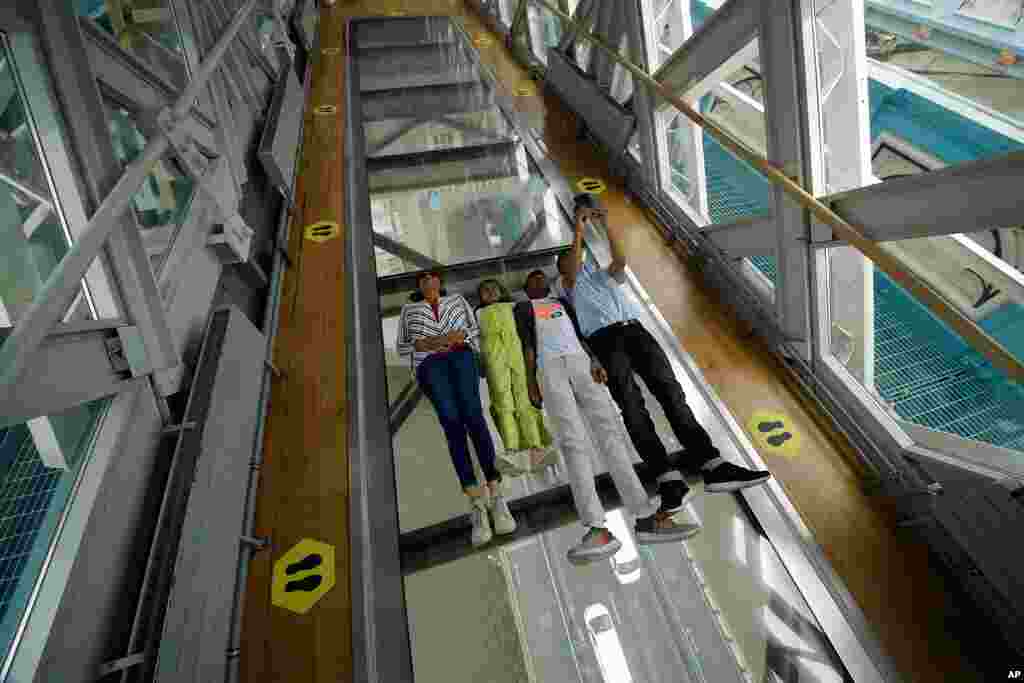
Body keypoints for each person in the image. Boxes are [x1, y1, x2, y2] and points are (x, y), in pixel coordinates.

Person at [558, 194, 771, 520]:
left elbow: (620, 260)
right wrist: (577, 229)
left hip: (636, 332)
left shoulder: (604, 276)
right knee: (631, 404)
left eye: (583, 255)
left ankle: (712, 464)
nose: (582, 258)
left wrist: (606, 223)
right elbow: (572, 266)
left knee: (672, 393)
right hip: (604, 340)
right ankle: (667, 478)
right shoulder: (569, 284)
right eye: (576, 256)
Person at [516, 270, 700, 566]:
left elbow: (580, 335)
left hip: (580, 362)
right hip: (548, 367)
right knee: (573, 441)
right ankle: (596, 528)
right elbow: (526, 344)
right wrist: (530, 381)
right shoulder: (523, 308)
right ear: (526, 289)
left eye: (541, 278)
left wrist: (594, 360)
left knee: (610, 433)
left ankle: (643, 517)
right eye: (533, 280)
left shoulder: (562, 303)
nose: (538, 281)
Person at [396, 271, 516, 547]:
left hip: (461, 356)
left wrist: (459, 334)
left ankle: (497, 497)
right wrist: (423, 343)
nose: (428, 280)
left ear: (440, 283)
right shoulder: (409, 310)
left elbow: (474, 329)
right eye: (423, 279)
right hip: (430, 364)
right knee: (452, 423)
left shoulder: (458, 300)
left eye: (433, 277)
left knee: (474, 417)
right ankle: (476, 503)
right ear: (419, 286)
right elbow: (403, 346)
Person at [475, 279, 558, 475]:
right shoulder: (477, 313)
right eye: (484, 291)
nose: (489, 292)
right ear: (480, 296)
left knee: (525, 401)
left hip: (518, 356)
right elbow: (475, 340)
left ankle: (537, 446)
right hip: (494, 360)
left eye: (493, 288)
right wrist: (480, 363)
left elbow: (528, 332)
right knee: (503, 402)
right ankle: (512, 451)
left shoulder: (515, 307)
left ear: (501, 290)